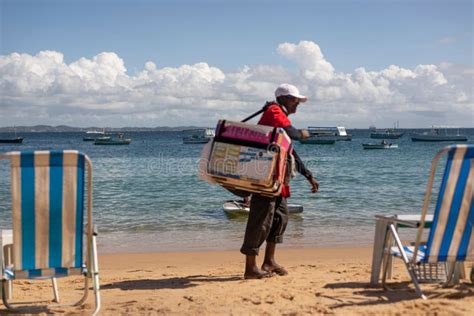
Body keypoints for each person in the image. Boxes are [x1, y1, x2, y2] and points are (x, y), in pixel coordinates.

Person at [240, 83, 319, 279]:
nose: (297, 104)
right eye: (294, 100)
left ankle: (269, 262)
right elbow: (293, 135)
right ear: (282, 99)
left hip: (278, 180)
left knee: (279, 218)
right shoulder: (275, 111)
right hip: (265, 178)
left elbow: (290, 152)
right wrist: (303, 134)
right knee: (260, 220)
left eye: (298, 101)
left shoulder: (278, 114)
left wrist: (308, 175)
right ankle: (250, 268)